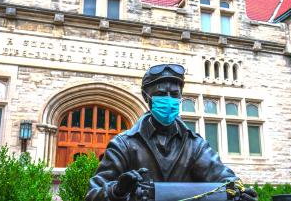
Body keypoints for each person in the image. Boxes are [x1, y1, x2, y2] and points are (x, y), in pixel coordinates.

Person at [86, 64, 257, 201]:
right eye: (161, 94)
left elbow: (223, 177)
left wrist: (239, 191)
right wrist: (116, 190)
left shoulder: (195, 144)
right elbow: (93, 194)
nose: (169, 99)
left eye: (174, 94)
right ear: (147, 98)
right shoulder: (124, 144)